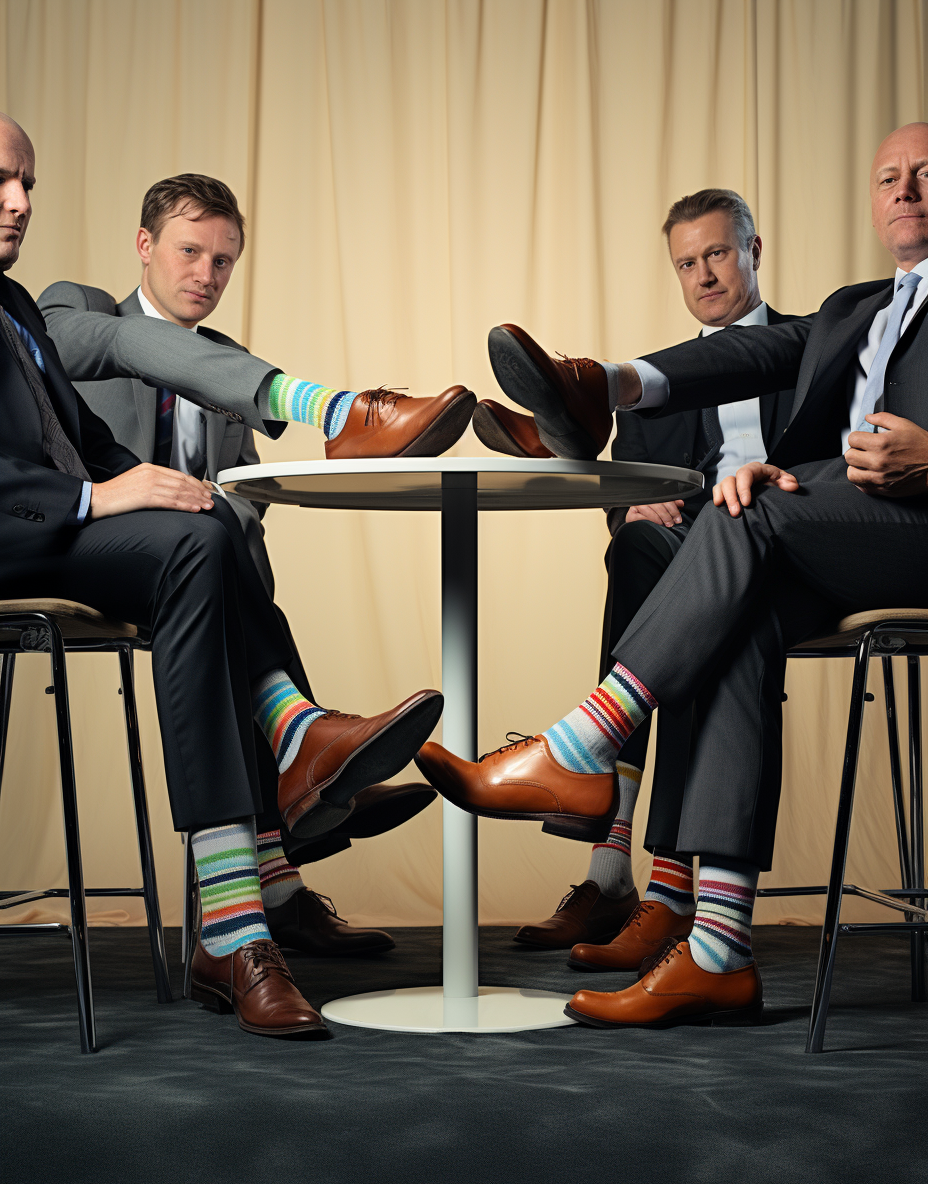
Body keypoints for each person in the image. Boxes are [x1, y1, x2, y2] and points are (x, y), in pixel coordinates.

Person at [417, 120, 928, 1028]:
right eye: (890, 176)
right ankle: (718, 953)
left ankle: (580, 746)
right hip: (830, 535)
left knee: (742, 508)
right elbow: (752, 351)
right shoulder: (857, 306)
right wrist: (605, 381)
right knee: (737, 604)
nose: (906, 190)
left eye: (926, 174)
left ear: (751, 249)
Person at [0, 112, 444, 1040]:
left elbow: (87, 443)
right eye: (4, 180)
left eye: (29, 185)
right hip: (36, 532)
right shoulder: (67, 304)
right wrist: (108, 499)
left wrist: (152, 495)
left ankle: (248, 898)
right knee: (204, 540)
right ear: (145, 247)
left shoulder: (9, 313)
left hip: (141, 557)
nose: (19, 203)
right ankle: (296, 765)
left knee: (213, 533)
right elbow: (127, 357)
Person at [511, 190, 803, 964]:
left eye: (717, 254)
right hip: (686, 569)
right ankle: (634, 882)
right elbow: (623, 499)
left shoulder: (816, 350)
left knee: (699, 609)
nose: (704, 274)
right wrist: (634, 515)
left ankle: (638, 873)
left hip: (788, 559)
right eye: (686, 262)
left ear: (754, 251)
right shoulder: (655, 387)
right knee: (641, 556)